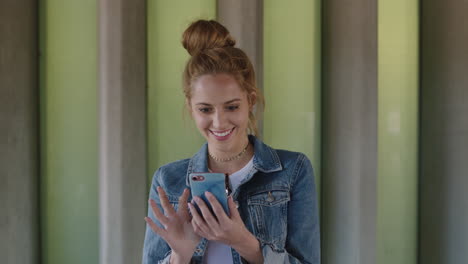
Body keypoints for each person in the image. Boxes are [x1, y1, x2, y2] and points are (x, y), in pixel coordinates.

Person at [142, 19, 320, 264]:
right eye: (205, 109)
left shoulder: (292, 170)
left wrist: (245, 243)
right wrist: (179, 255)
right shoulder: (168, 180)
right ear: (190, 108)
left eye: (232, 106)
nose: (219, 122)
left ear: (251, 101)